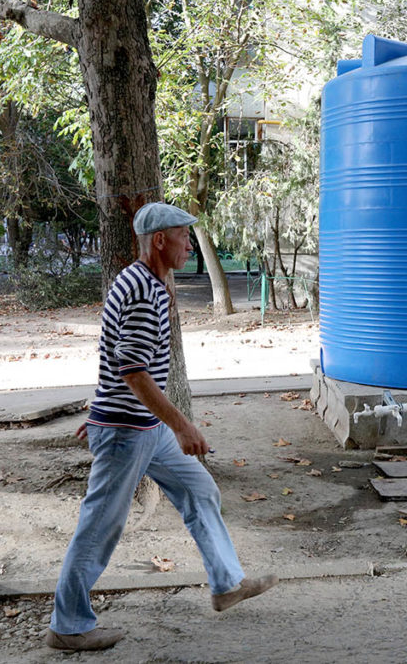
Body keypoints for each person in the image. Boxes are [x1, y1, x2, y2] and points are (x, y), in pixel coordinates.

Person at [45, 202, 277, 652]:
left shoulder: (151, 281)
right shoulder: (141, 290)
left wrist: (101, 407)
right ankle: (67, 626)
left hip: (139, 426)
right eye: (183, 237)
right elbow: (133, 370)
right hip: (128, 431)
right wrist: (183, 426)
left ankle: (227, 584)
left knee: (199, 489)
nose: (189, 245)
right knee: (100, 527)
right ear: (159, 241)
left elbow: (117, 355)